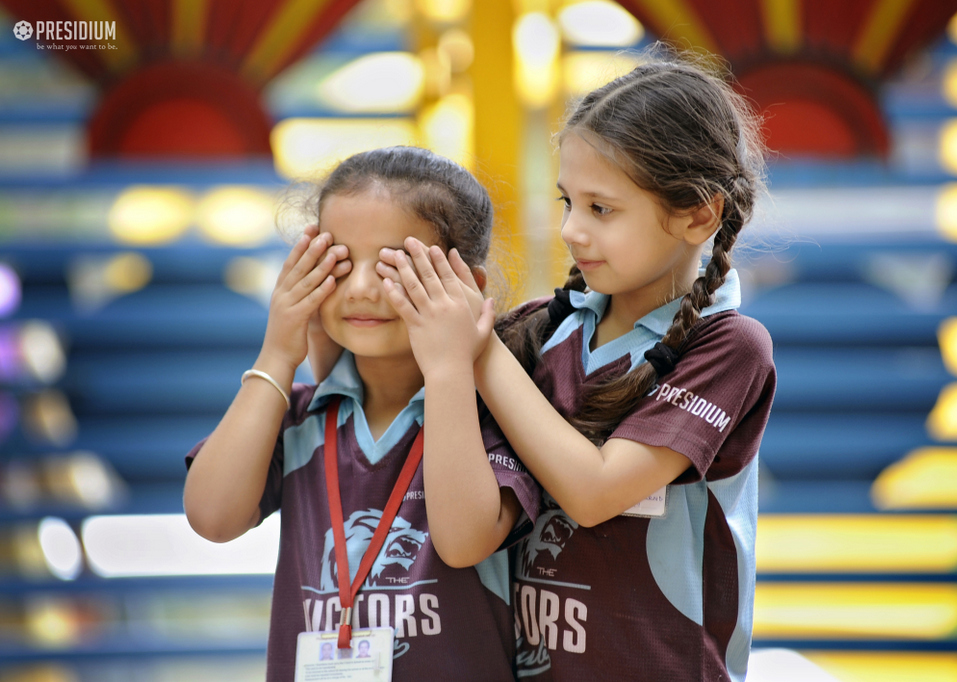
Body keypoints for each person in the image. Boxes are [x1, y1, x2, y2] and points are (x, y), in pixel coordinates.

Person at [377, 51, 776, 681]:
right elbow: (463, 532)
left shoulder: (728, 346)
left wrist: (476, 350)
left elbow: (594, 493)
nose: (570, 230)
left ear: (699, 215)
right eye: (568, 201)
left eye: (601, 209)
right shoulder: (543, 331)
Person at [183, 146, 539, 681]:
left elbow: (464, 540)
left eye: (395, 264)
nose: (362, 288)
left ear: (468, 286)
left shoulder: (504, 420)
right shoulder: (302, 419)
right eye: (340, 262)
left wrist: (449, 366)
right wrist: (279, 354)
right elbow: (212, 518)